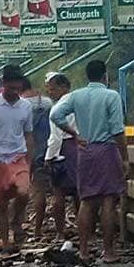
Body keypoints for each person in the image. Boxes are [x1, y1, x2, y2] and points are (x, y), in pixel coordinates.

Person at [50, 59, 128, 264]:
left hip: (84, 151)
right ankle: (108, 251)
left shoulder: (76, 96)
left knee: (86, 201)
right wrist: (125, 157)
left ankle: (83, 250)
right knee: (108, 201)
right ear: (105, 76)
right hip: (107, 150)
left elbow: (55, 114)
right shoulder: (112, 96)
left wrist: (73, 133)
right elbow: (118, 130)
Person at [0, 65, 33, 251]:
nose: (15, 92)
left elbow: (29, 135)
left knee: (24, 193)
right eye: (11, 88)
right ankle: (5, 242)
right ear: (3, 84)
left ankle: (16, 220)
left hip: (18, 157)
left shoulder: (26, 106)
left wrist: (29, 161)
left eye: (18, 89)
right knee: (0, 204)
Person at [44, 72, 79, 238]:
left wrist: (49, 157)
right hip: (79, 147)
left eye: (53, 89)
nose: (50, 92)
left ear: (64, 87)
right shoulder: (80, 103)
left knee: (58, 193)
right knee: (80, 192)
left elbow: (56, 137)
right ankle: (84, 229)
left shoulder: (57, 108)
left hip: (64, 149)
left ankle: (60, 231)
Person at [20, 77, 53, 242]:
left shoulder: (20, 105)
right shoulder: (47, 102)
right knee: (47, 191)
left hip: (25, 152)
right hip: (47, 150)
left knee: (22, 191)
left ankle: (18, 226)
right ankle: (38, 229)